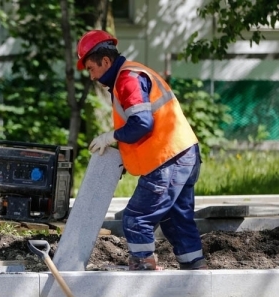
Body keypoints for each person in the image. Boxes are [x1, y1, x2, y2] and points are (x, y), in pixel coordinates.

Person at [76, 30, 207, 271]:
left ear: (105, 62)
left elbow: (142, 124)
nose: (92, 76)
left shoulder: (127, 79)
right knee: (176, 219)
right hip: (182, 153)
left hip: (168, 158)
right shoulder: (132, 75)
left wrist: (111, 136)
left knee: (137, 218)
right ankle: (195, 272)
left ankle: (142, 268)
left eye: (91, 69)